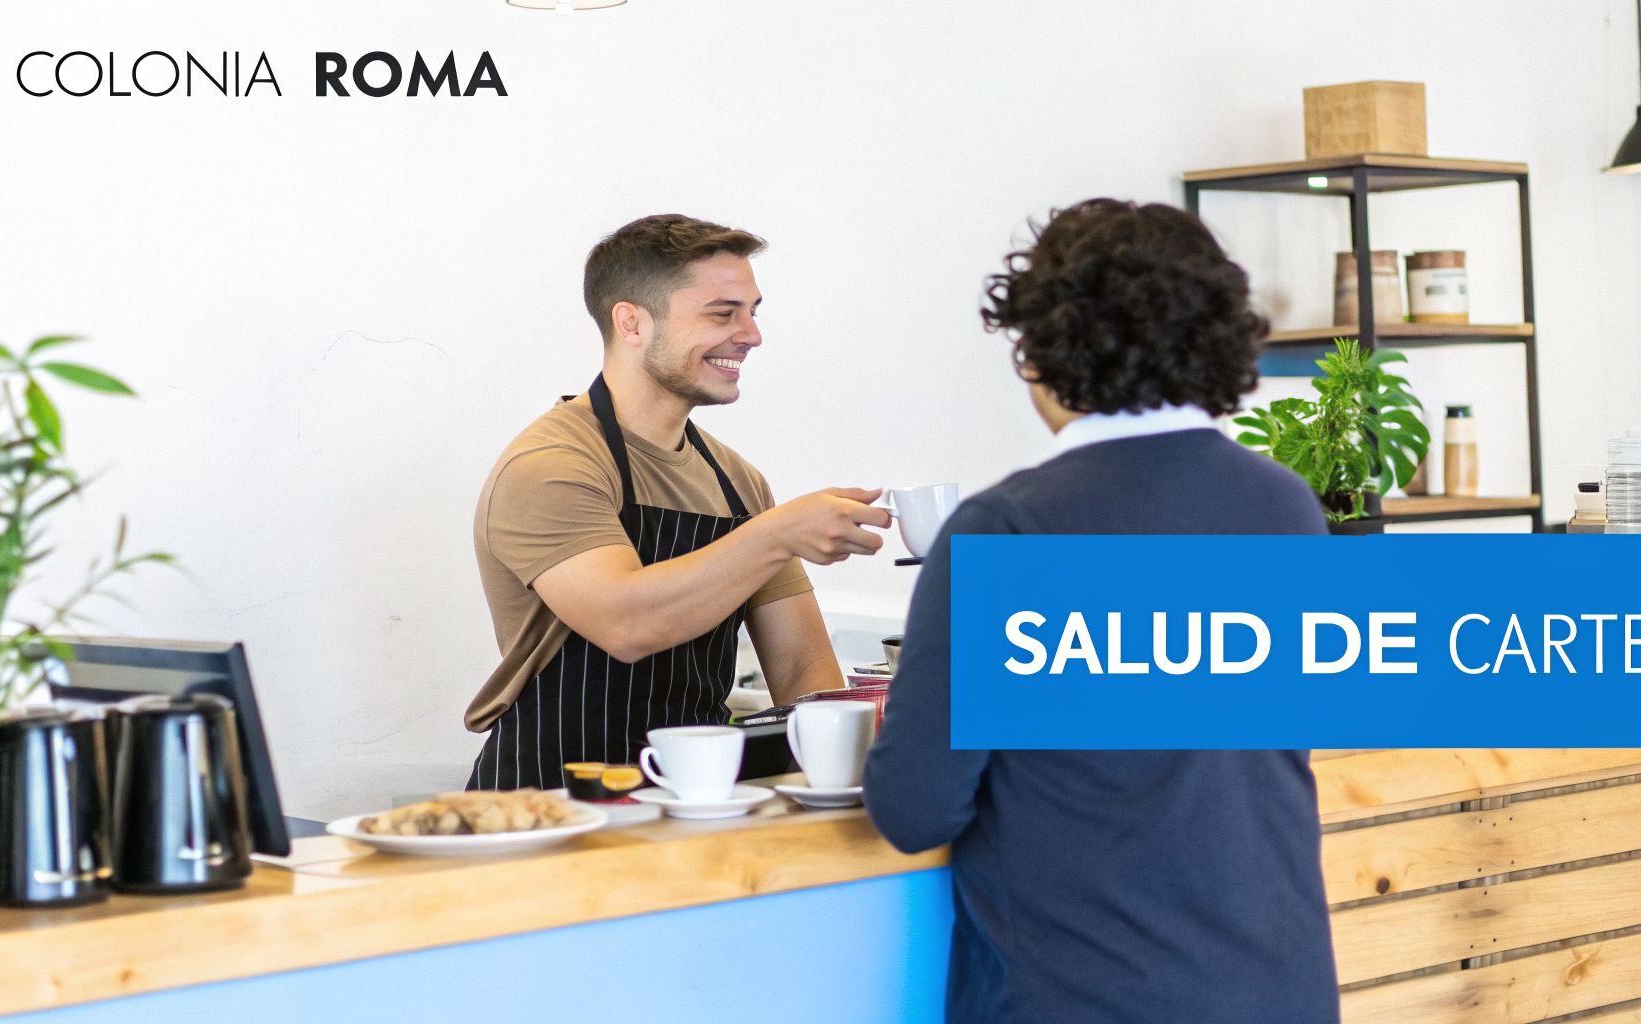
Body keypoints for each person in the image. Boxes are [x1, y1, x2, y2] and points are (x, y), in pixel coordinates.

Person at [863, 199, 1341, 1023]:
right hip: (1277, 988)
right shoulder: (1283, 506)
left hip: (1083, 995)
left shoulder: (1008, 530)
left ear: (1046, 346)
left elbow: (914, 811)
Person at [465, 213, 889, 789]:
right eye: (722, 314)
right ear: (632, 323)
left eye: (752, 312)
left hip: (698, 800)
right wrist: (780, 532)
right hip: (552, 809)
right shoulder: (551, 466)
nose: (751, 335)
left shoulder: (738, 480)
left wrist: (849, 766)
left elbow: (800, 668)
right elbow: (626, 624)